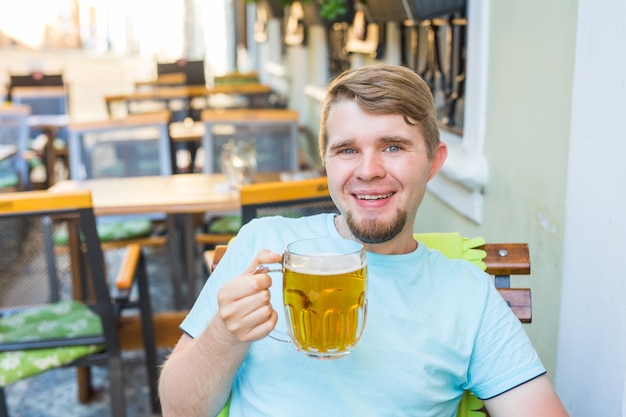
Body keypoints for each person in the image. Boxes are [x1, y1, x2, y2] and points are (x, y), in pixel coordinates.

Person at [158, 64, 569, 417]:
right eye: (347, 150)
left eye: (393, 146)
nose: (368, 170)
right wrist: (223, 336)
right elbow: (178, 410)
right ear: (326, 163)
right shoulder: (262, 244)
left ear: (434, 161)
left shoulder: (468, 294)